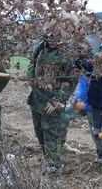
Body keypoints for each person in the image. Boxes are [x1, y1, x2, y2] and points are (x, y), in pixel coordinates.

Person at [26, 34, 78, 176]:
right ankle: (48, 160)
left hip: (52, 102)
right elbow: (32, 62)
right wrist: (30, 76)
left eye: (56, 37)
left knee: (51, 135)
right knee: (40, 132)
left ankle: (54, 168)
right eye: (50, 37)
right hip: (37, 99)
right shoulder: (40, 47)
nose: (53, 41)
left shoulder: (65, 54)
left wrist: (58, 100)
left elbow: (71, 81)